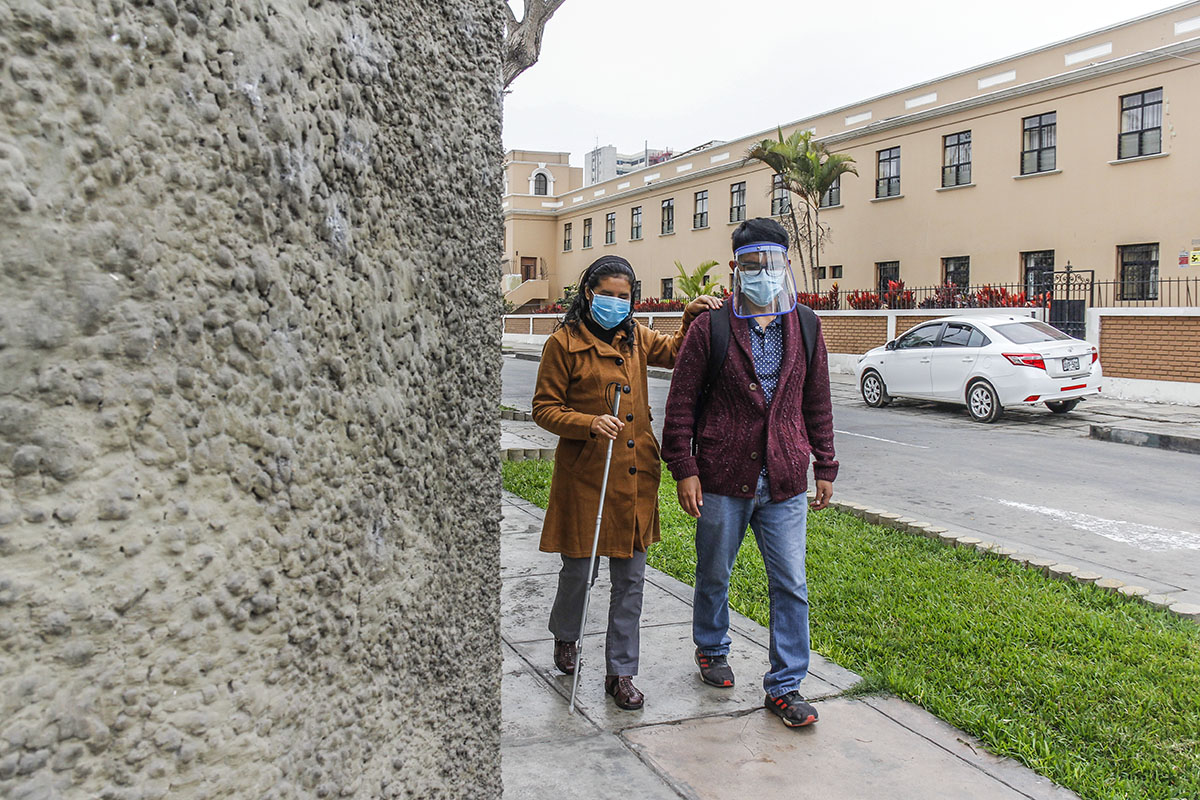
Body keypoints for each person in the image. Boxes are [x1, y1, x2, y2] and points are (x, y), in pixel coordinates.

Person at [661, 217, 838, 728]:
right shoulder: (711, 327)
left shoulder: (804, 324)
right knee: (715, 571)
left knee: (791, 584)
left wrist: (824, 461)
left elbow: (817, 400)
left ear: (784, 266)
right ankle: (711, 648)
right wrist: (684, 468)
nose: (763, 274)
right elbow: (681, 405)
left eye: (772, 264)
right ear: (736, 267)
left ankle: (785, 687)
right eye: (753, 265)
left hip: (783, 478)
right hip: (721, 475)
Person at [533, 255, 721, 710]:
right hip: (585, 480)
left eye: (625, 295)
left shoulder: (636, 337)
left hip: (634, 478)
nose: (616, 303)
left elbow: (676, 351)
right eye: (608, 294)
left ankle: (621, 672)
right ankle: (566, 635)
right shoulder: (563, 344)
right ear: (588, 294)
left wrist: (691, 315)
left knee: (631, 582)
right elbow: (544, 408)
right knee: (580, 573)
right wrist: (588, 422)